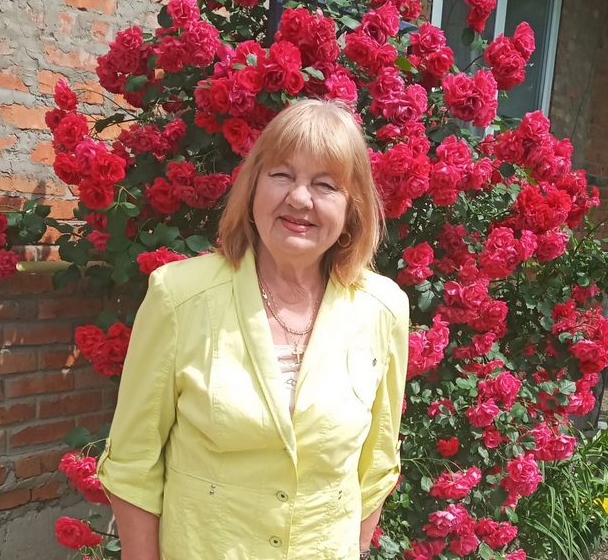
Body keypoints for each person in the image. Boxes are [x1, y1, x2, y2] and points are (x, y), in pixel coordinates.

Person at [97, 99, 410, 560]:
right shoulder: (179, 297)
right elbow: (132, 465)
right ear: (253, 187)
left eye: (325, 185)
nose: (299, 198)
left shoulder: (383, 308)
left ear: (352, 208)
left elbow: (377, 464)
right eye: (281, 174)